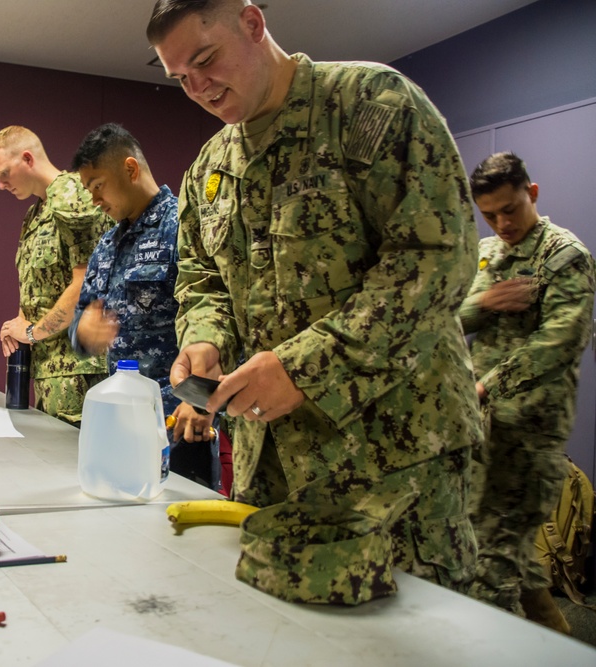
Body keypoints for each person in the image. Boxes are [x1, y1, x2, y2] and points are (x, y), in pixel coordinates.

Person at [149, 0, 482, 588]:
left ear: (252, 24)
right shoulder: (211, 165)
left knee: (405, 641)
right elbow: (201, 278)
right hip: (268, 465)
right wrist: (203, 338)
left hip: (390, 466)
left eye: (205, 60)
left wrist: (304, 368)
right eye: (180, 78)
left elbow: (436, 262)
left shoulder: (371, 105)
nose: (197, 88)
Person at [460, 152, 595, 631]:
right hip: (484, 424)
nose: (501, 223)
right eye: (489, 215)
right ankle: (562, 642)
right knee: (505, 547)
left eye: (510, 210)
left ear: (531, 194)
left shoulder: (565, 255)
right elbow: (457, 318)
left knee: (490, 567)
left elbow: (560, 343)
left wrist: (486, 385)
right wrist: (485, 300)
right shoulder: (490, 252)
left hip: (531, 430)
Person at [67, 123, 217, 486]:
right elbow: (79, 323)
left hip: (177, 425)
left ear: (130, 170)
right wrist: (83, 332)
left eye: (98, 186)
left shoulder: (184, 225)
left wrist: (200, 402)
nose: (94, 200)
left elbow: (217, 314)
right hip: (120, 425)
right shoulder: (107, 244)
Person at [0, 125, 114, 425]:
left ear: (27, 158)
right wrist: (18, 324)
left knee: (71, 466)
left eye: (4, 173)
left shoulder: (73, 197)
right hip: (51, 368)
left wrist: (31, 333)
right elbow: (37, 286)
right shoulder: (36, 213)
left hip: (79, 370)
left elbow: (86, 285)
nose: (1, 185)